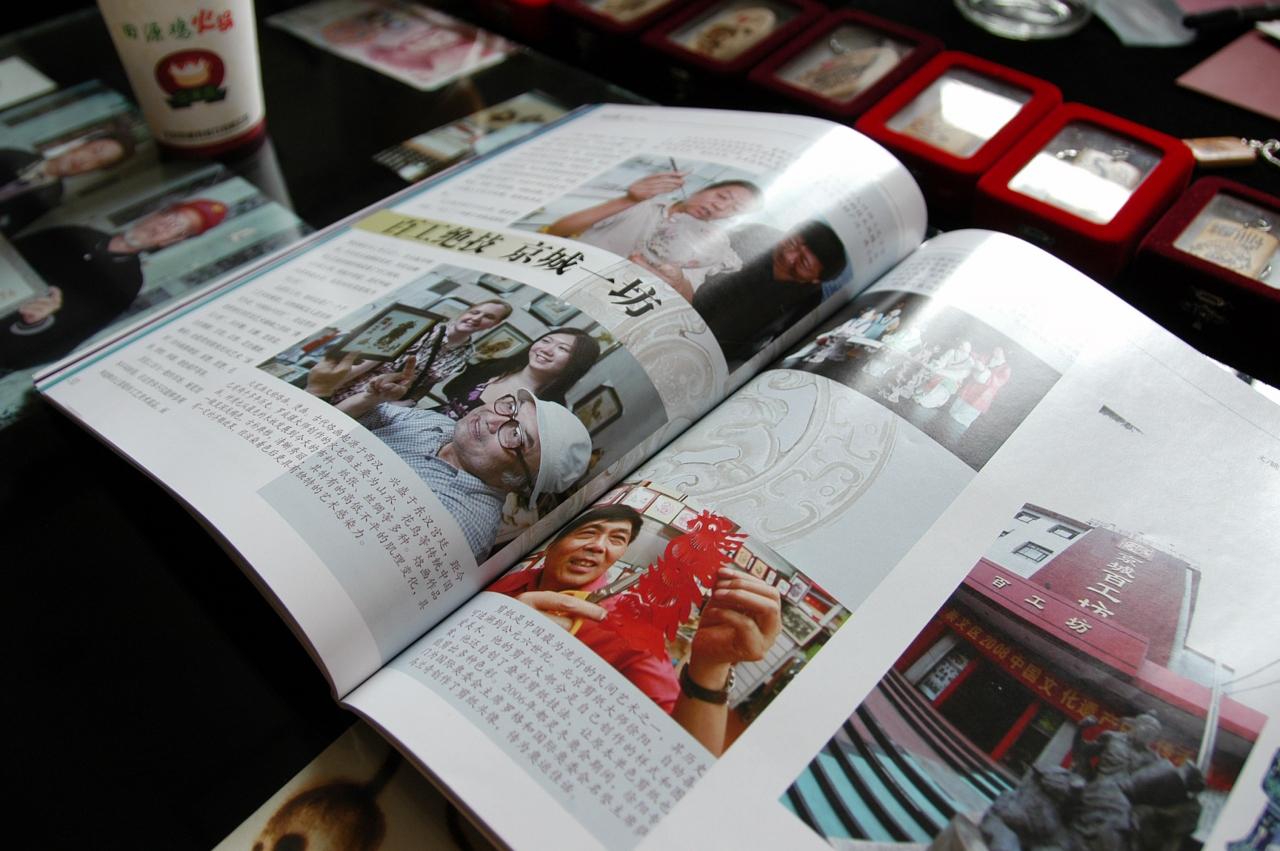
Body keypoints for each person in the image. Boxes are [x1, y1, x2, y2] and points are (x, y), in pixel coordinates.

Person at [487, 504, 782, 756]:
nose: (599, 546)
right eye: (588, 532)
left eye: (617, 538)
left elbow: (685, 753)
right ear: (552, 541)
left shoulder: (629, 629)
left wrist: (710, 668)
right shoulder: (512, 579)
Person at [306, 356, 591, 560]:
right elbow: (340, 426)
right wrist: (368, 399)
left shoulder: (459, 522)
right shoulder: (443, 426)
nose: (493, 419)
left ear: (518, 481)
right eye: (510, 407)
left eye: (516, 434)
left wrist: (319, 392)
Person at [0, 199, 226, 371]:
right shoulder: (76, 233)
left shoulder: (127, 283)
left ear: (171, 241)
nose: (160, 228)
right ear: (154, 214)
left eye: (176, 228)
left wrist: (36, 322)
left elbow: (64, 341)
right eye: (168, 218)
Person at [545, 171, 761, 300]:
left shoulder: (710, 246)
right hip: (563, 275)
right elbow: (558, 230)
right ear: (702, 189)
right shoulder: (641, 203)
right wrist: (629, 200)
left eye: (735, 208)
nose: (720, 206)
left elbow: (686, 301)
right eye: (722, 196)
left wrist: (678, 281)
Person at [692, 221, 848, 364]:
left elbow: (779, 343)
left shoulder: (810, 298)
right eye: (791, 243)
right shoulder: (755, 234)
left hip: (717, 354)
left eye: (803, 262)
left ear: (816, 279)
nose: (788, 256)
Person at [322, 298, 513, 407]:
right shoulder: (423, 329)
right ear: (466, 311)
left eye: (488, 317)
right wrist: (327, 387)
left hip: (383, 406)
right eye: (475, 312)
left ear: (495, 324)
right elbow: (370, 360)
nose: (477, 318)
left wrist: (410, 402)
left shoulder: (466, 353)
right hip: (350, 391)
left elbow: (427, 383)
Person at [440, 327, 599, 419]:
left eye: (562, 349)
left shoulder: (549, 411)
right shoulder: (495, 367)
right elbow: (450, 390)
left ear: (577, 363)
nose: (546, 350)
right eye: (546, 341)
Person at [0, 129, 136, 234]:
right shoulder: (13, 156)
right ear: (80, 145)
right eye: (95, 151)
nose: (86, 161)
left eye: (99, 163)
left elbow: (11, 229)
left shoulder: (51, 199)